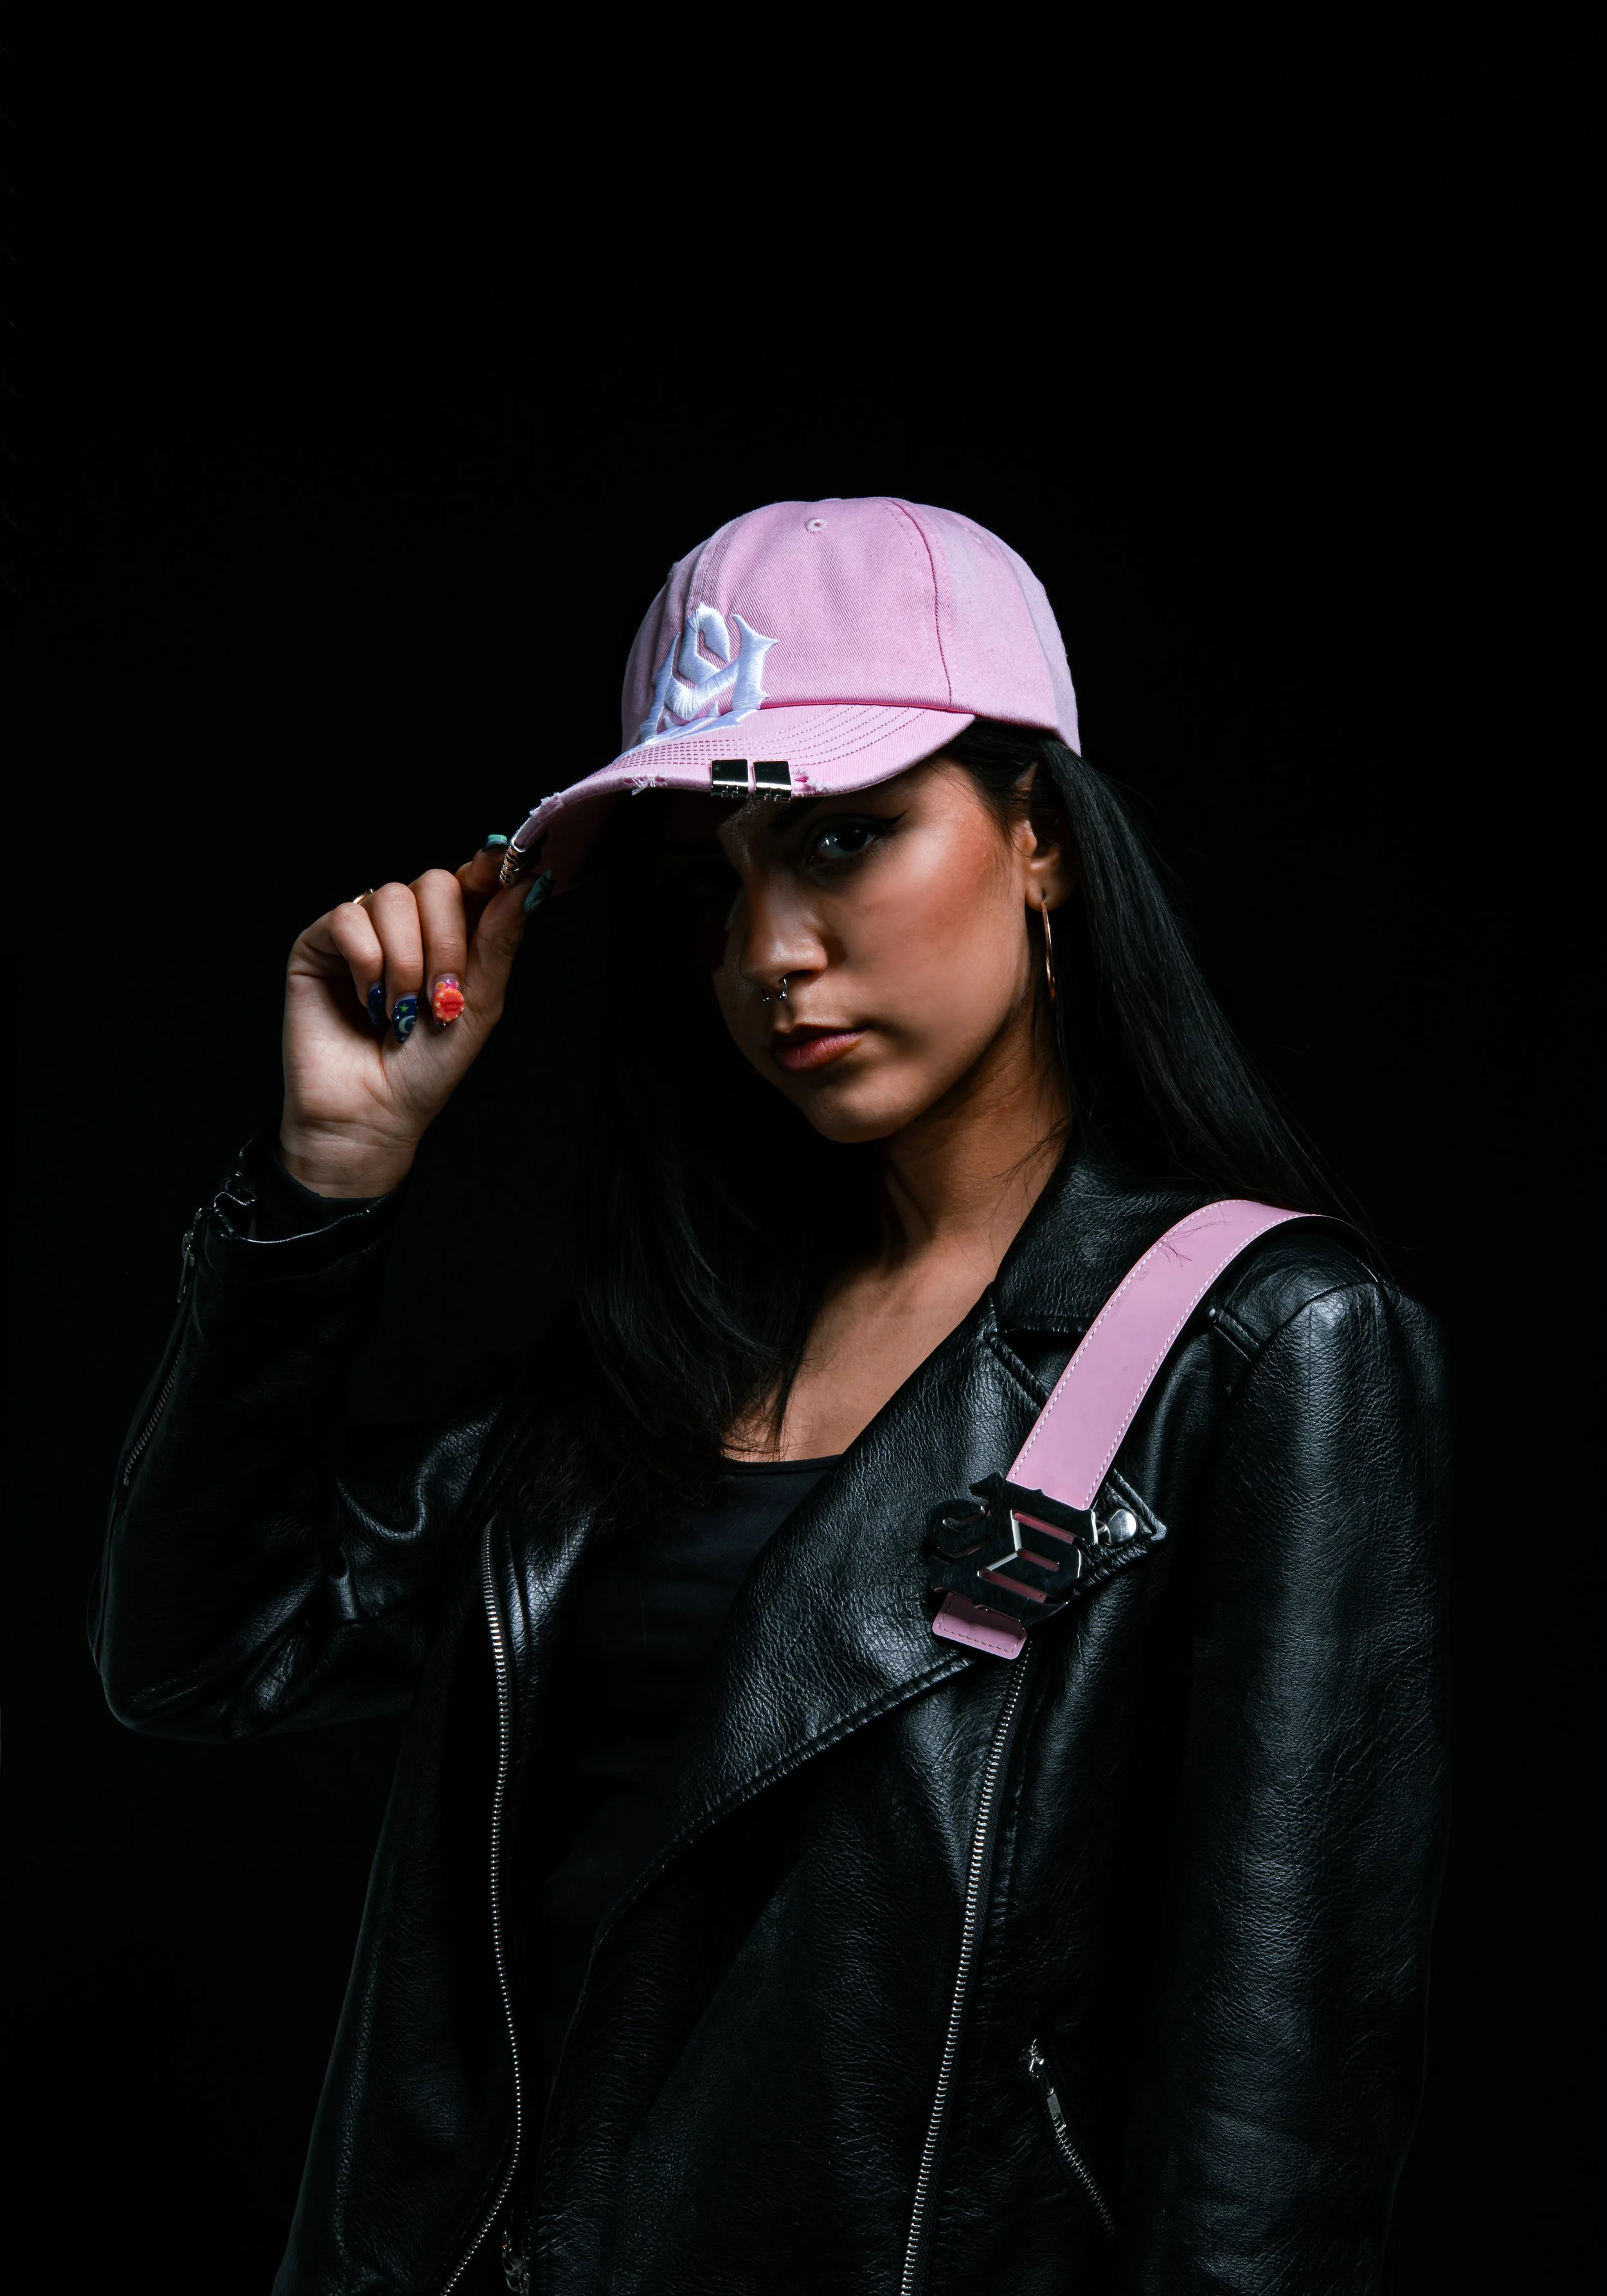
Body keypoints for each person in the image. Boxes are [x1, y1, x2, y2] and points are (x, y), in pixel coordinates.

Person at [94, 498, 1451, 2295]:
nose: (770, 951)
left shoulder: (1266, 1348)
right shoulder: (655, 1355)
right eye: (708, 885)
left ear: (1036, 836)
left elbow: (1265, 2137)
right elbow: (208, 1652)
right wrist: (323, 1185)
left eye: (841, 839)